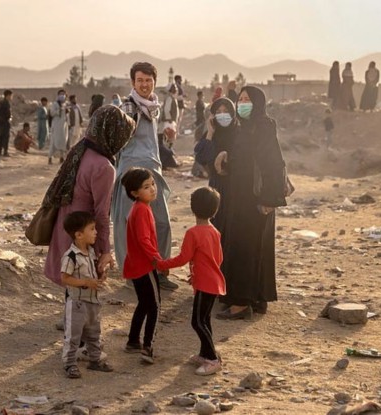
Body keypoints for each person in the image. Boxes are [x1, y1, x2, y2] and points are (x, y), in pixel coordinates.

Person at [42, 105, 136, 290]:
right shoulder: (104, 167)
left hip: (67, 225)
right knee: (83, 290)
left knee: (71, 284)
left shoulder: (81, 150)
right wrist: (105, 251)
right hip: (83, 233)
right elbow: (101, 214)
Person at [216, 85, 287, 319]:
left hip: (257, 199)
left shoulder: (263, 126)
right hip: (241, 198)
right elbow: (244, 159)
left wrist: (270, 199)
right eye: (240, 99)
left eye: (247, 99)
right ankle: (257, 298)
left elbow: (274, 163)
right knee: (253, 247)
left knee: (245, 247)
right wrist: (227, 159)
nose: (242, 103)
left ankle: (240, 303)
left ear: (258, 103)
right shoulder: (243, 128)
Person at [113, 61, 178, 291]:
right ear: (133, 82)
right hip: (131, 172)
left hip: (153, 171)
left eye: (148, 80)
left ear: (154, 82)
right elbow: (119, 141)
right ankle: (133, 274)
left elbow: (152, 141)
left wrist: (168, 136)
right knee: (128, 225)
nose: (144, 84)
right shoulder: (128, 107)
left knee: (161, 222)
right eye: (140, 80)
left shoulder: (153, 107)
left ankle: (160, 272)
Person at [155, 187, 225, 376]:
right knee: (204, 319)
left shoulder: (193, 233)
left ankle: (212, 358)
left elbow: (183, 258)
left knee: (197, 321)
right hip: (212, 281)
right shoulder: (214, 231)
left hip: (205, 283)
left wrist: (161, 263)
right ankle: (205, 353)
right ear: (215, 209)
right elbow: (218, 258)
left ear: (193, 208)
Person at [60, 211, 114, 379]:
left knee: (94, 333)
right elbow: (65, 278)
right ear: (79, 235)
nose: (96, 232)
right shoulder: (70, 256)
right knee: (73, 336)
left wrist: (100, 276)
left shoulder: (90, 252)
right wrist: (86, 283)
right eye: (92, 229)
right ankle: (70, 364)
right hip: (77, 303)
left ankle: (95, 360)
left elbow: (93, 273)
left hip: (92, 302)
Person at [120, 167, 162, 364]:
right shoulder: (142, 210)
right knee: (154, 305)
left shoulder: (139, 208)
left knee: (144, 303)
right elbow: (144, 240)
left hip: (135, 265)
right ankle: (148, 347)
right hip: (145, 266)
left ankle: (133, 341)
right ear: (135, 193)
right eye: (146, 186)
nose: (153, 189)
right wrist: (158, 260)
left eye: (152, 183)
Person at [196, 97, 237, 241]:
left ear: (233, 113)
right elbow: (201, 157)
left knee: (234, 230)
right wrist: (210, 132)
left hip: (236, 188)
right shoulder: (211, 135)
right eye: (218, 112)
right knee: (217, 230)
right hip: (216, 187)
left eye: (226, 111)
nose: (223, 114)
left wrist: (227, 158)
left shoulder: (239, 133)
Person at [49, 89, 68, 164]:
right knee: (54, 141)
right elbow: (52, 113)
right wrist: (59, 110)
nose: (62, 96)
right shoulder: (55, 104)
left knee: (63, 141)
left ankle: (61, 157)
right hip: (56, 125)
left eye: (63, 94)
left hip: (63, 126)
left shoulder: (66, 104)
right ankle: (50, 157)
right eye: (60, 94)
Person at [0, 89, 13, 157]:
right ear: (8, 95)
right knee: (5, 137)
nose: (11, 97)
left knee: (0, 137)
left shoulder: (0, 102)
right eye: (11, 95)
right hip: (5, 122)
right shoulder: (6, 103)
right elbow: (8, 114)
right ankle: (5, 152)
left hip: (0, 123)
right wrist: (9, 118)